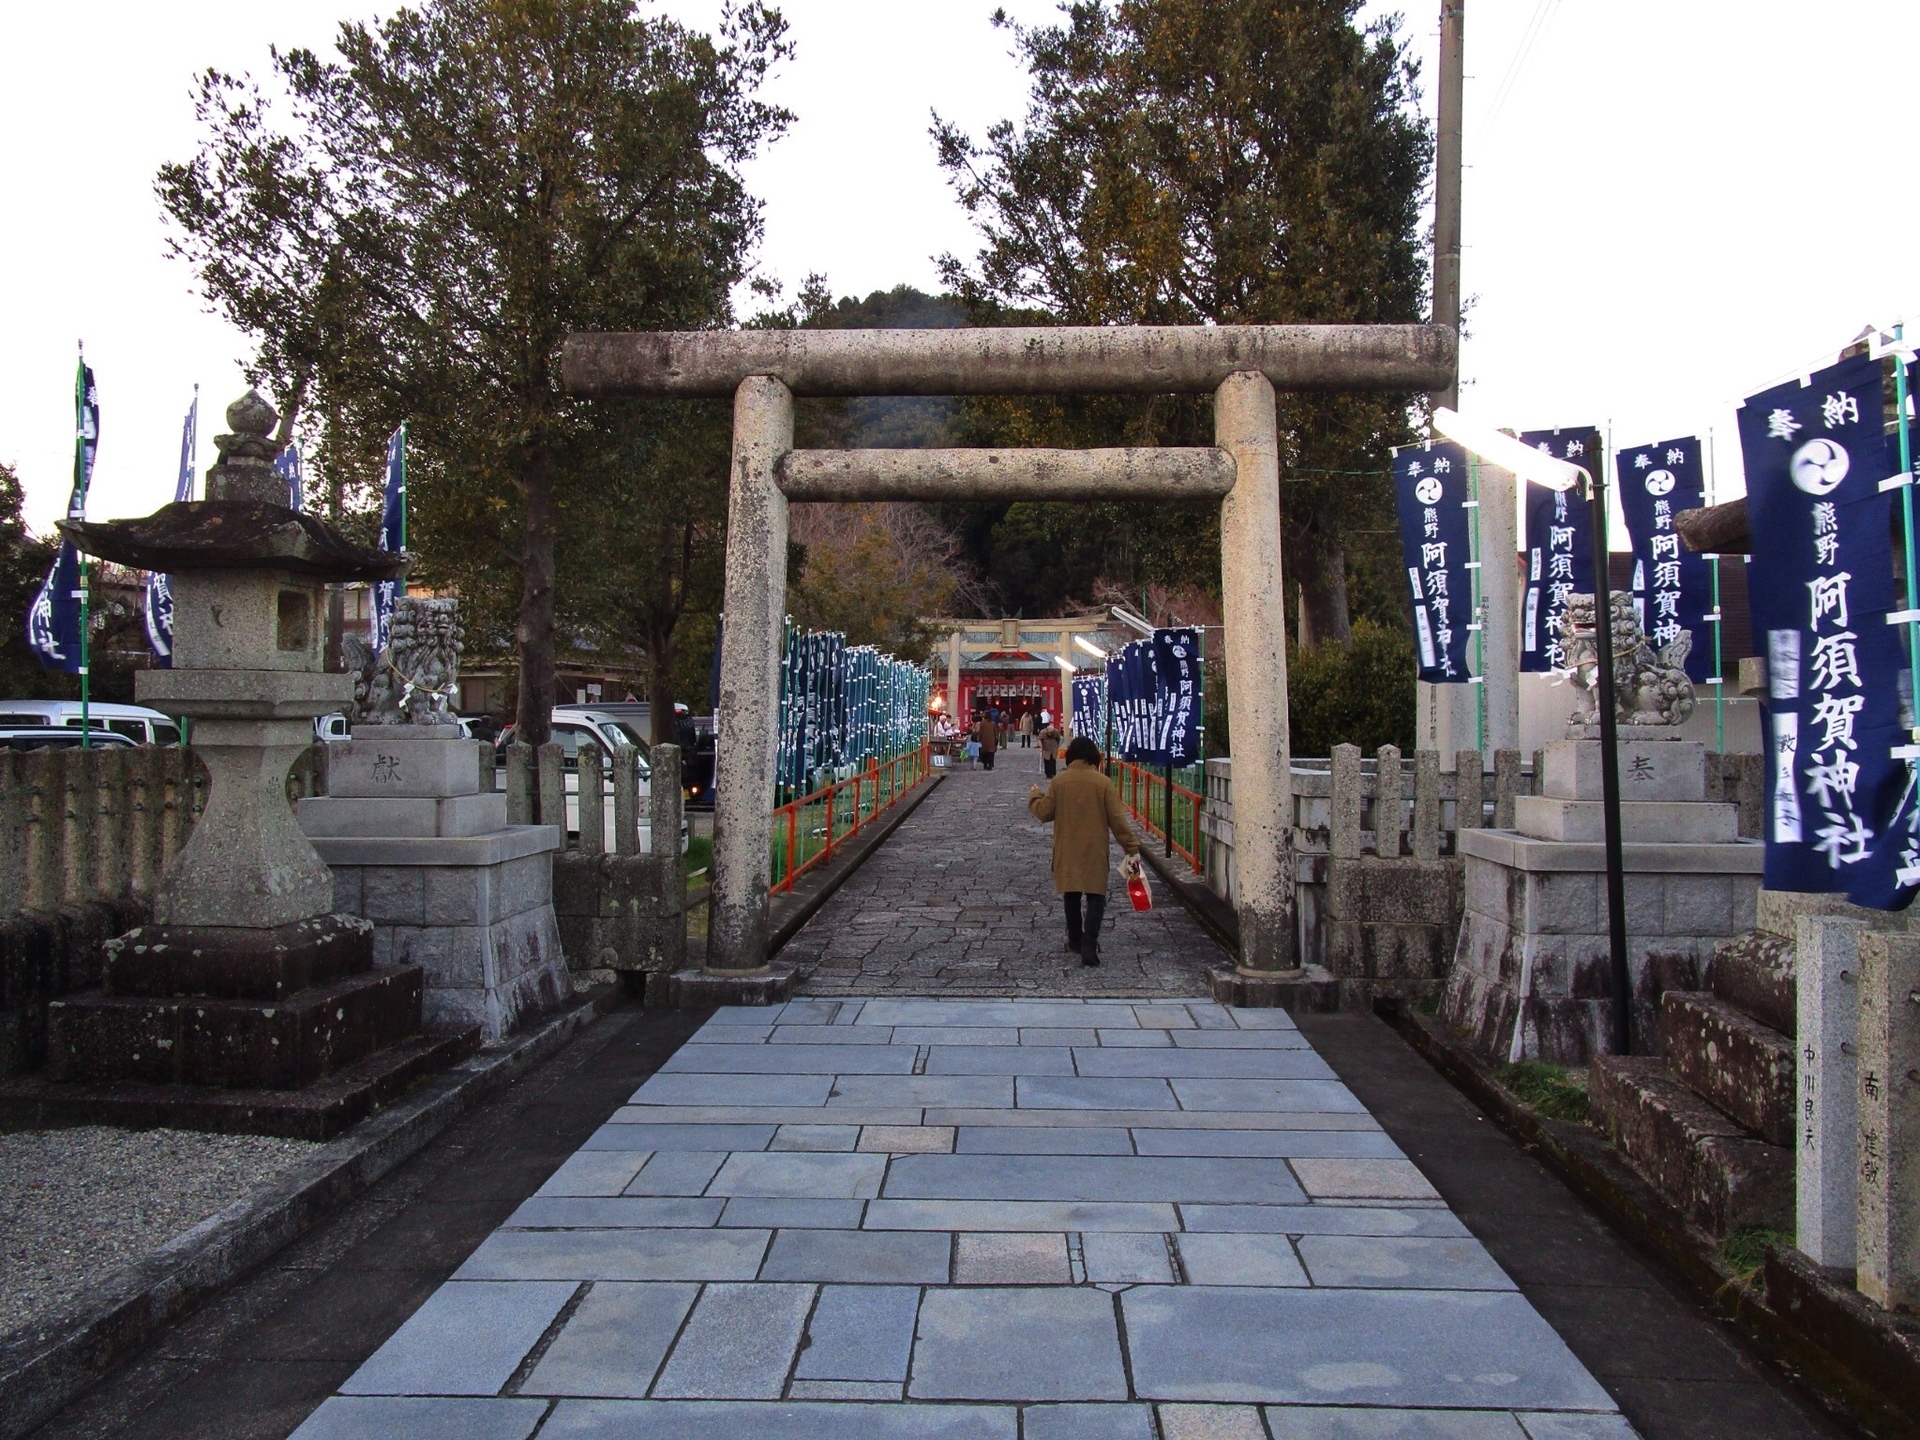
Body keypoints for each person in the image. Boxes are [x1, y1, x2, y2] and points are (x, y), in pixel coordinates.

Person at [1028, 737, 1141, 967]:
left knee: (1071, 895)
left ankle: (1075, 938)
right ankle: (1090, 943)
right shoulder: (1103, 783)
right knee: (1096, 897)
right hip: (1095, 849)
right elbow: (1117, 821)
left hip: (1067, 849)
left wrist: (1035, 795)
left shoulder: (1060, 782)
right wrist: (1131, 847)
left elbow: (1044, 812)